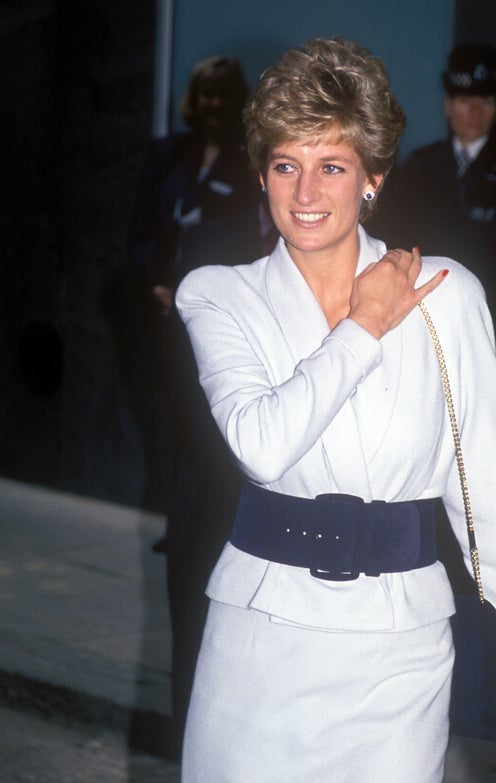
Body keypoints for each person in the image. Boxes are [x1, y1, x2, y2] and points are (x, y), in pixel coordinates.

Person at [176, 38, 496, 782]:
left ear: (373, 179)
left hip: (400, 657)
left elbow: (486, 493)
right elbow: (263, 445)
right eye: (286, 165)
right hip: (258, 650)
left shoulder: (450, 295)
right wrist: (364, 325)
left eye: (333, 166)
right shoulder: (218, 294)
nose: (306, 193)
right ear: (261, 176)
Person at [127, 55, 267, 752]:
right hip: (194, 395)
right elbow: (145, 233)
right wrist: (162, 286)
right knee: (193, 565)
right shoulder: (180, 176)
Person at [371, 43, 496, 399]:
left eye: (486, 102)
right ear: (448, 105)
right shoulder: (420, 167)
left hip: (486, 319)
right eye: (465, 101)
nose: (475, 112)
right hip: (423, 318)